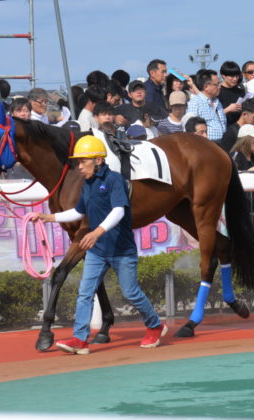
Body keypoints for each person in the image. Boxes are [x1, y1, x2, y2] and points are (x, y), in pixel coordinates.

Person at [26, 135, 166, 354]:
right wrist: (47, 217)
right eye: (78, 161)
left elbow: (119, 210)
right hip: (98, 251)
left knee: (131, 293)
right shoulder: (88, 184)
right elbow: (78, 211)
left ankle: (155, 325)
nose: (79, 166)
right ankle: (80, 340)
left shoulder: (114, 180)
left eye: (83, 161)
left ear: (98, 160)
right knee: (85, 293)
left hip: (121, 250)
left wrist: (97, 232)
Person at [185, 69, 226, 143]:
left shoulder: (218, 103)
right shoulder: (196, 103)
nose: (219, 87)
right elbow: (190, 128)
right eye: (216, 84)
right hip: (205, 144)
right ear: (206, 86)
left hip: (221, 144)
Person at [216, 61, 246, 127]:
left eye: (237, 76)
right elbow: (211, 115)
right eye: (232, 76)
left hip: (239, 129)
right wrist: (228, 109)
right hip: (223, 129)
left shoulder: (241, 91)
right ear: (223, 76)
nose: (235, 79)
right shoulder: (217, 92)